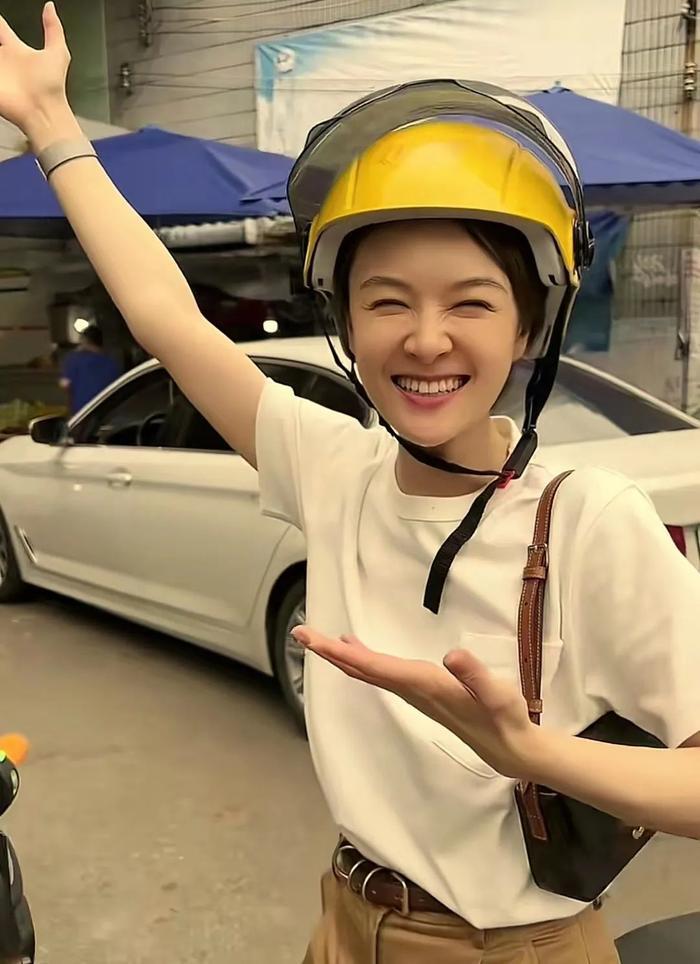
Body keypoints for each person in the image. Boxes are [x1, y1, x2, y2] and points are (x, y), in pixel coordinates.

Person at [2, 6, 698, 963]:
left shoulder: (586, 518)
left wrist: (532, 753)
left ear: (530, 329)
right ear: (347, 325)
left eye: (471, 303)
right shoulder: (335, 468)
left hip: (516, 945)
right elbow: (170, 319)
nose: (425, 338)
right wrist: (52, 125)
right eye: (387, 301)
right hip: (346, 920)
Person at [59, 324, 119, 414]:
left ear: (85, 340)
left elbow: (65, 385)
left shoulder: (74, 360)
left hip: (83, 411)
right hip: (107, 410)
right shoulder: (112, 363)